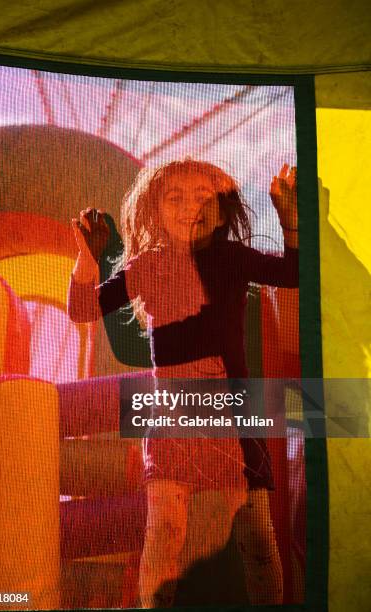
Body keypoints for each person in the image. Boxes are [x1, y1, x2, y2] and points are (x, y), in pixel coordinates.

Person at [67, 160, 298, 607]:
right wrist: (87, 259)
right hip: (174, 414)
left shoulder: (231, 257)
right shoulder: (150, 264)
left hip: (234, 416)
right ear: (156, 208)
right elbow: (83, 310)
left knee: (257, 537)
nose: (190, 207)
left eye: (202, 198)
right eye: (176, 198)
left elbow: (291, 275)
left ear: (221, 209)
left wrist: (291, 226)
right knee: (163, 536)